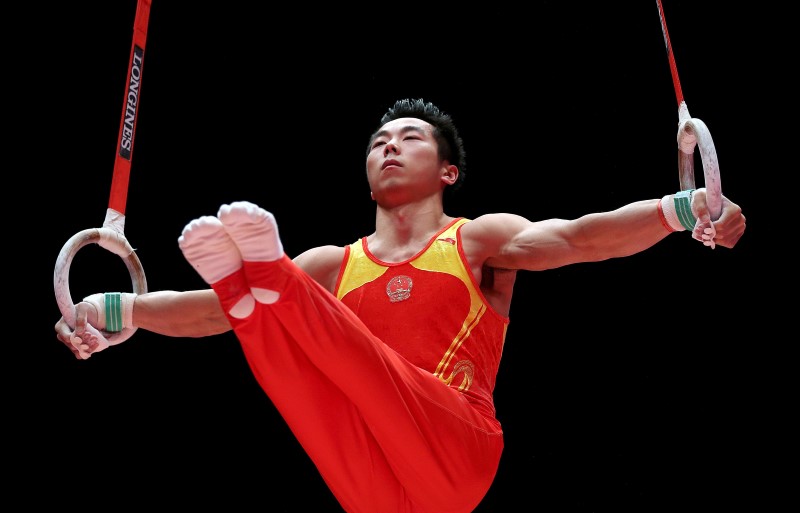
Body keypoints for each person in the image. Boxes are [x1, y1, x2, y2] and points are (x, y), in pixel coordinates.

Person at [55, 98, 746, 513]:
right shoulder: (336, 263)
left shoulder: (477, 240)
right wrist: (114, 309)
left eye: (409, 138)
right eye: (379, 141)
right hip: (370, 491)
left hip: (458, 452)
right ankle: (249, 285)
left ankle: (263, 278)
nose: (390, 146)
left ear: (447, 171)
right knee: (263, 340)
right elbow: (198, 312)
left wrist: (682, 208)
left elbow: (581, 237)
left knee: (341, 347)